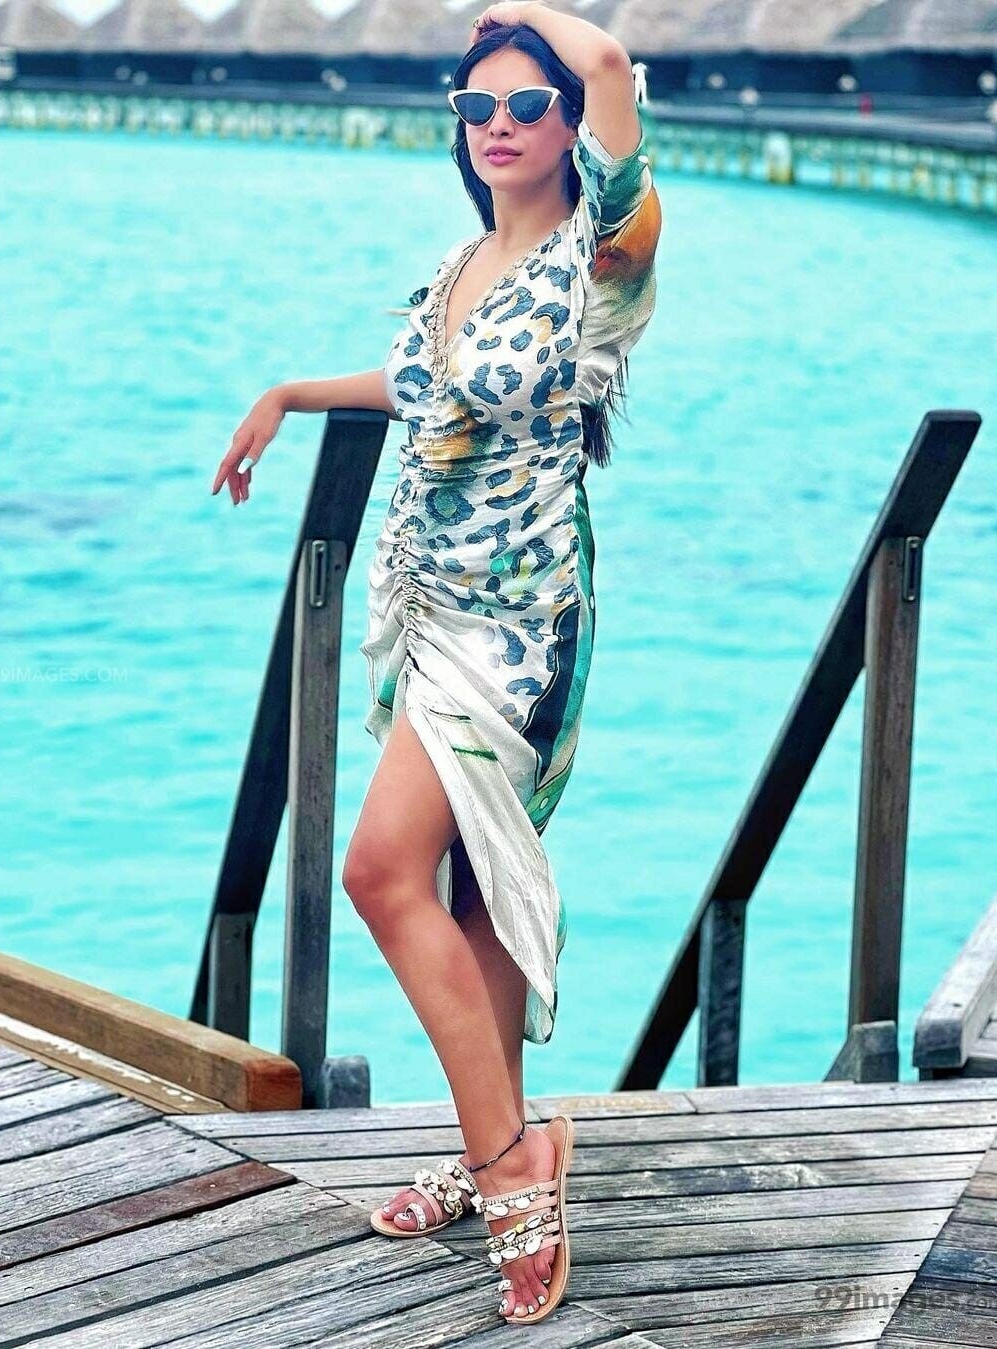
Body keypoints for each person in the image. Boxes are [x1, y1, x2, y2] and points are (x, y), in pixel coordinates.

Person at [211, 1, 662, 1325]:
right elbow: (425, 386)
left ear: (569, 127)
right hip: (430, 614)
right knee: (473, 891)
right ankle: (501, 1139)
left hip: (523, 632)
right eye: (478, 106)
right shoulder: (467, 261)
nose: (501, 124)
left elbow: (609, 61)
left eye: (527, 104)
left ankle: (510, 1160)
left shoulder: (605, 255)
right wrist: (290, 396)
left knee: (378, 870)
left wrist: (514, 17)